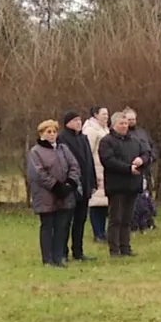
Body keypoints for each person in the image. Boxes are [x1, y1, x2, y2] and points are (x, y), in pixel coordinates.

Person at [26, 119, 81, 268]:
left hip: (65, 194)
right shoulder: (35, 152)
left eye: (54, 132)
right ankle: (47, 259)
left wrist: (69, 184)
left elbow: (74, 166)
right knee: (47, 227)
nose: (52, 135)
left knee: (61, 227)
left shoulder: (63, 149)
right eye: (48, 132)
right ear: (41, 134)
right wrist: (56, 186)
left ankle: (59, 257)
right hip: (46, 195)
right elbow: (39, 173)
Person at [97, 111, 146, 258]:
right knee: (115, 218)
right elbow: (108, 160)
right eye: (121, 123)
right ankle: (114, 249)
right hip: (116, 185)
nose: (124, 126)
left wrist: (141, 161)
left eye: (126, 123)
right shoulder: (107, 141)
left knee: (127, 218)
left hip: (132, 185)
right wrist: (127, 169)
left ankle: (126, 247)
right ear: (114, 125)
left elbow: (146, 153)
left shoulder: (135, 140)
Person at [57, 110, 96, 262]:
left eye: (80, 120)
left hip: (85, 185)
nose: (79, 123)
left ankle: (78, 251)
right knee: (66, 221)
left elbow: (89, 161)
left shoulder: (83, 138)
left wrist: (92, 181)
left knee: (80, 220)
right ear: (67, 123)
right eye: (75, 120)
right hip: (70, 186)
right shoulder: (62, 139)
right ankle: (62, 252)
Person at [84, 106, 110, 243]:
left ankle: (102, 232)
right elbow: (88, 151)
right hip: (96, 169)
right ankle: (97, 233)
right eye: (103, 114)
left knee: (104, 203)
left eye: (107, 114)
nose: (106, 116)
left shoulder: (105, 129)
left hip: (105, 169)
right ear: (95, 115)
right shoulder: (91, 130)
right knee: (95, 203)